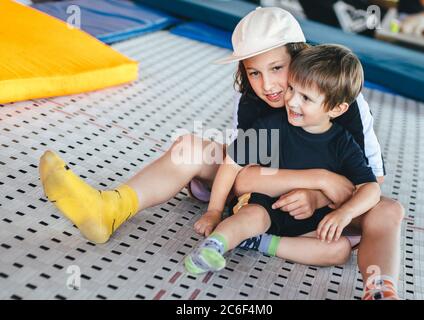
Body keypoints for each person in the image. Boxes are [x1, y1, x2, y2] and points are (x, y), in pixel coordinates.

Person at [39, 7, 404, 300]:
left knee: (388, 209)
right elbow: (243, 176)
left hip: (334, 211)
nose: (269, 86)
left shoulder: (344, 99)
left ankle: (380, 286)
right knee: (189, 148)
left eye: (277, 68)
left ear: (300, 55)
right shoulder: (251, 98)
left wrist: (318, 193)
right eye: (255, 73)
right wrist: (316, 179)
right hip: (263, 193)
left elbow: (370, 182)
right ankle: (110, 208)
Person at [185, 44, 382, 282]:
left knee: (339, 251)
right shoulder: (272, 125)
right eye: (291, 88)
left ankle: (260, 242)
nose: (292, 101)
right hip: (267, 204)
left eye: (305, 97)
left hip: (309, 216)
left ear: (337, 108)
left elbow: (371, 188)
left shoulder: (343, 143)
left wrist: (344, 213)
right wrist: (214, 211)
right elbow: (231, 164)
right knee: (251, 217)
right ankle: (213, 246)